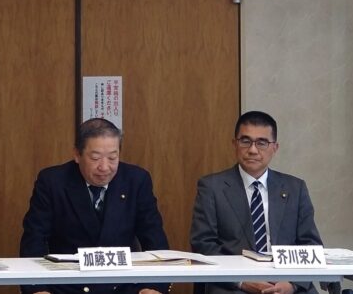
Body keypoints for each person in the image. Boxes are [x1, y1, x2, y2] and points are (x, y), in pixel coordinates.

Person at [20, 118, 170, 294]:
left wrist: (154, 287)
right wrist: (37, 289)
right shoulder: (53, 182)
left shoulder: (136, 180)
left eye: (112, 157)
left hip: (123, 286)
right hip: (67, 286)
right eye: (95, 158)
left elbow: (154, 238)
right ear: (77, 154)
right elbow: (34, 239)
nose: (104, 167)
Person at [190, 111, 322, 294]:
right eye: (245, 141)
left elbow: (311, 246)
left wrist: (292, 284)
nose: (252, 150)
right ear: (235, 144)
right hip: (233, 287)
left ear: (275, 148)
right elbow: (203, 244)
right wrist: (242, 281)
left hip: (288, 284)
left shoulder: (295, 188)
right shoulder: (212, 187)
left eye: (261, 143)